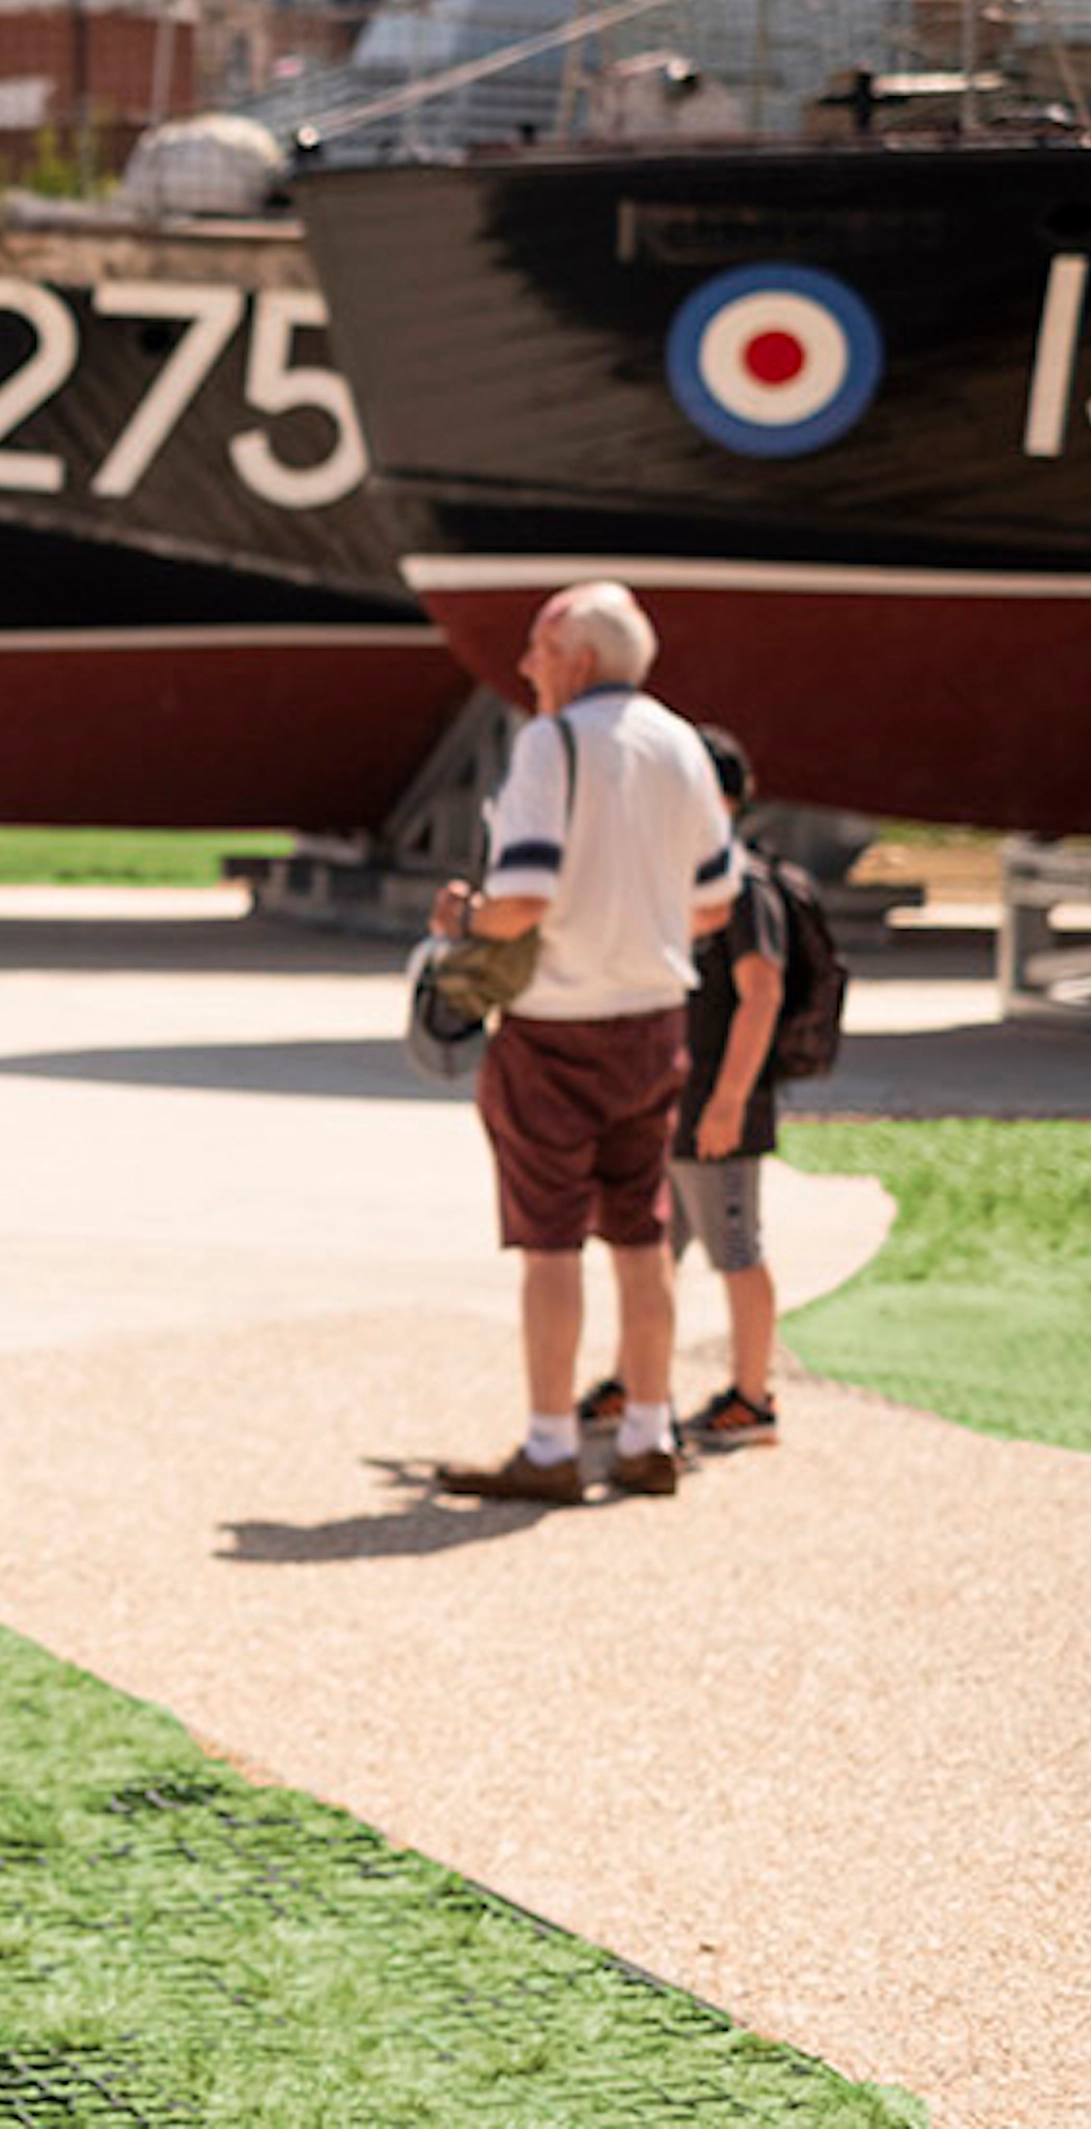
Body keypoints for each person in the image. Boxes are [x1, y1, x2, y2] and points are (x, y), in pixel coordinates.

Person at [432, 581, 737, 1504]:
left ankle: (551, 1443)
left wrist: (468, 917)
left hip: (556, 1024)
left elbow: (524, 895)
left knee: (551, 1241)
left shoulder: (550, 744)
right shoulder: (681, 742)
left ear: (576, 654)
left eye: (536, 646)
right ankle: (649, 1430)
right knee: (641, 1234)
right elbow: (717, 900)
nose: (526, 667)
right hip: (654, 1019)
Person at [578, 725, 788, 1449]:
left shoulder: (744, 885)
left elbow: (761, 993)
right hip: (669, 1102)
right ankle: (636, 1379)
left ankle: (752, 1396)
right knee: (653, 1250)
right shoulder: (681, 877)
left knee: (736, 1246)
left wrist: (729, 1100)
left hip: (718, 1107)